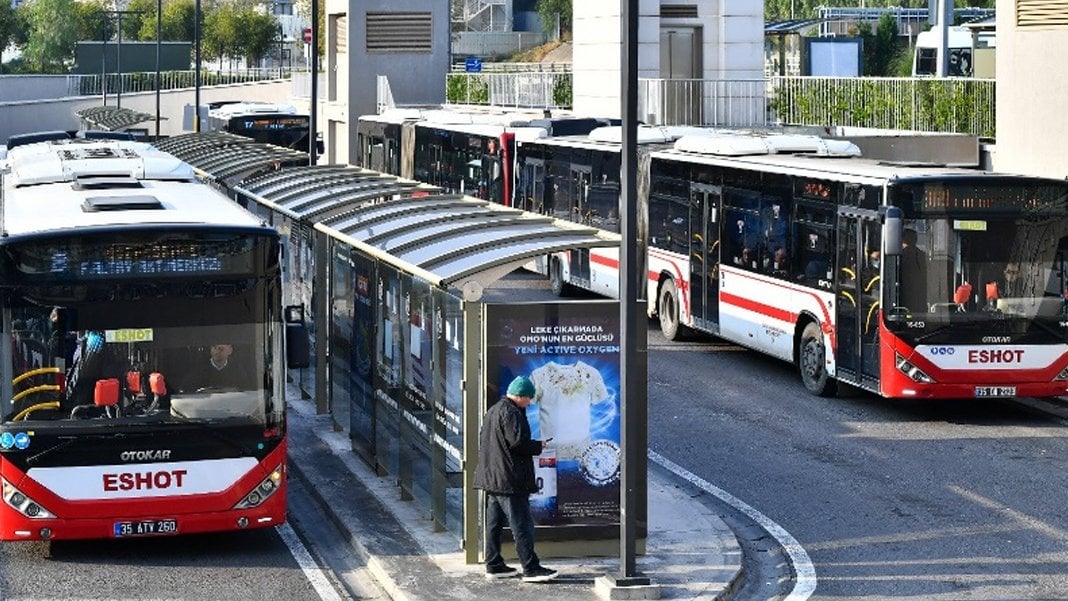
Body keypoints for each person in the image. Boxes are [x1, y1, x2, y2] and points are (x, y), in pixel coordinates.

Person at [473, 375, 557, 582]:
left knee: (493, 524)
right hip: (509, 480)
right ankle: (531, 567)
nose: (530, 403)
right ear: (520, 396)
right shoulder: (512, 413)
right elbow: (518, 443)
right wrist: (540, 445)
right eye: (529, 398)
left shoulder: (493, 411)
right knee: (522, 524)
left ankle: (493, 564)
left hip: (492, 478)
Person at [180, 343, 255, 392]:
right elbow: (186, 389)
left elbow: (247, 390)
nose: (216, 352)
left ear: (230, 351)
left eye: (220, 349)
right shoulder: (199, 369)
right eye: (214, 348)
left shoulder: (238, 369)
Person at [899, 228, 928, 311]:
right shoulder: (923, 255)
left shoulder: (899, 256)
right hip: (921, 297)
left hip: (904, 297)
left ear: (902, 240)